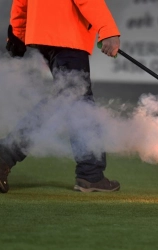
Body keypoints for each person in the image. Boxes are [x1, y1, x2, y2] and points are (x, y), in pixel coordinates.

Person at [0, 0, 121, 193]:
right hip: (66, 32)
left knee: (77, 102)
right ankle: (5, 155)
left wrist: (18, 33)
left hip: (43, 31)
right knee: (69, 99)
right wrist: (107, 30)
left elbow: (21, 2)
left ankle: (90, 174)